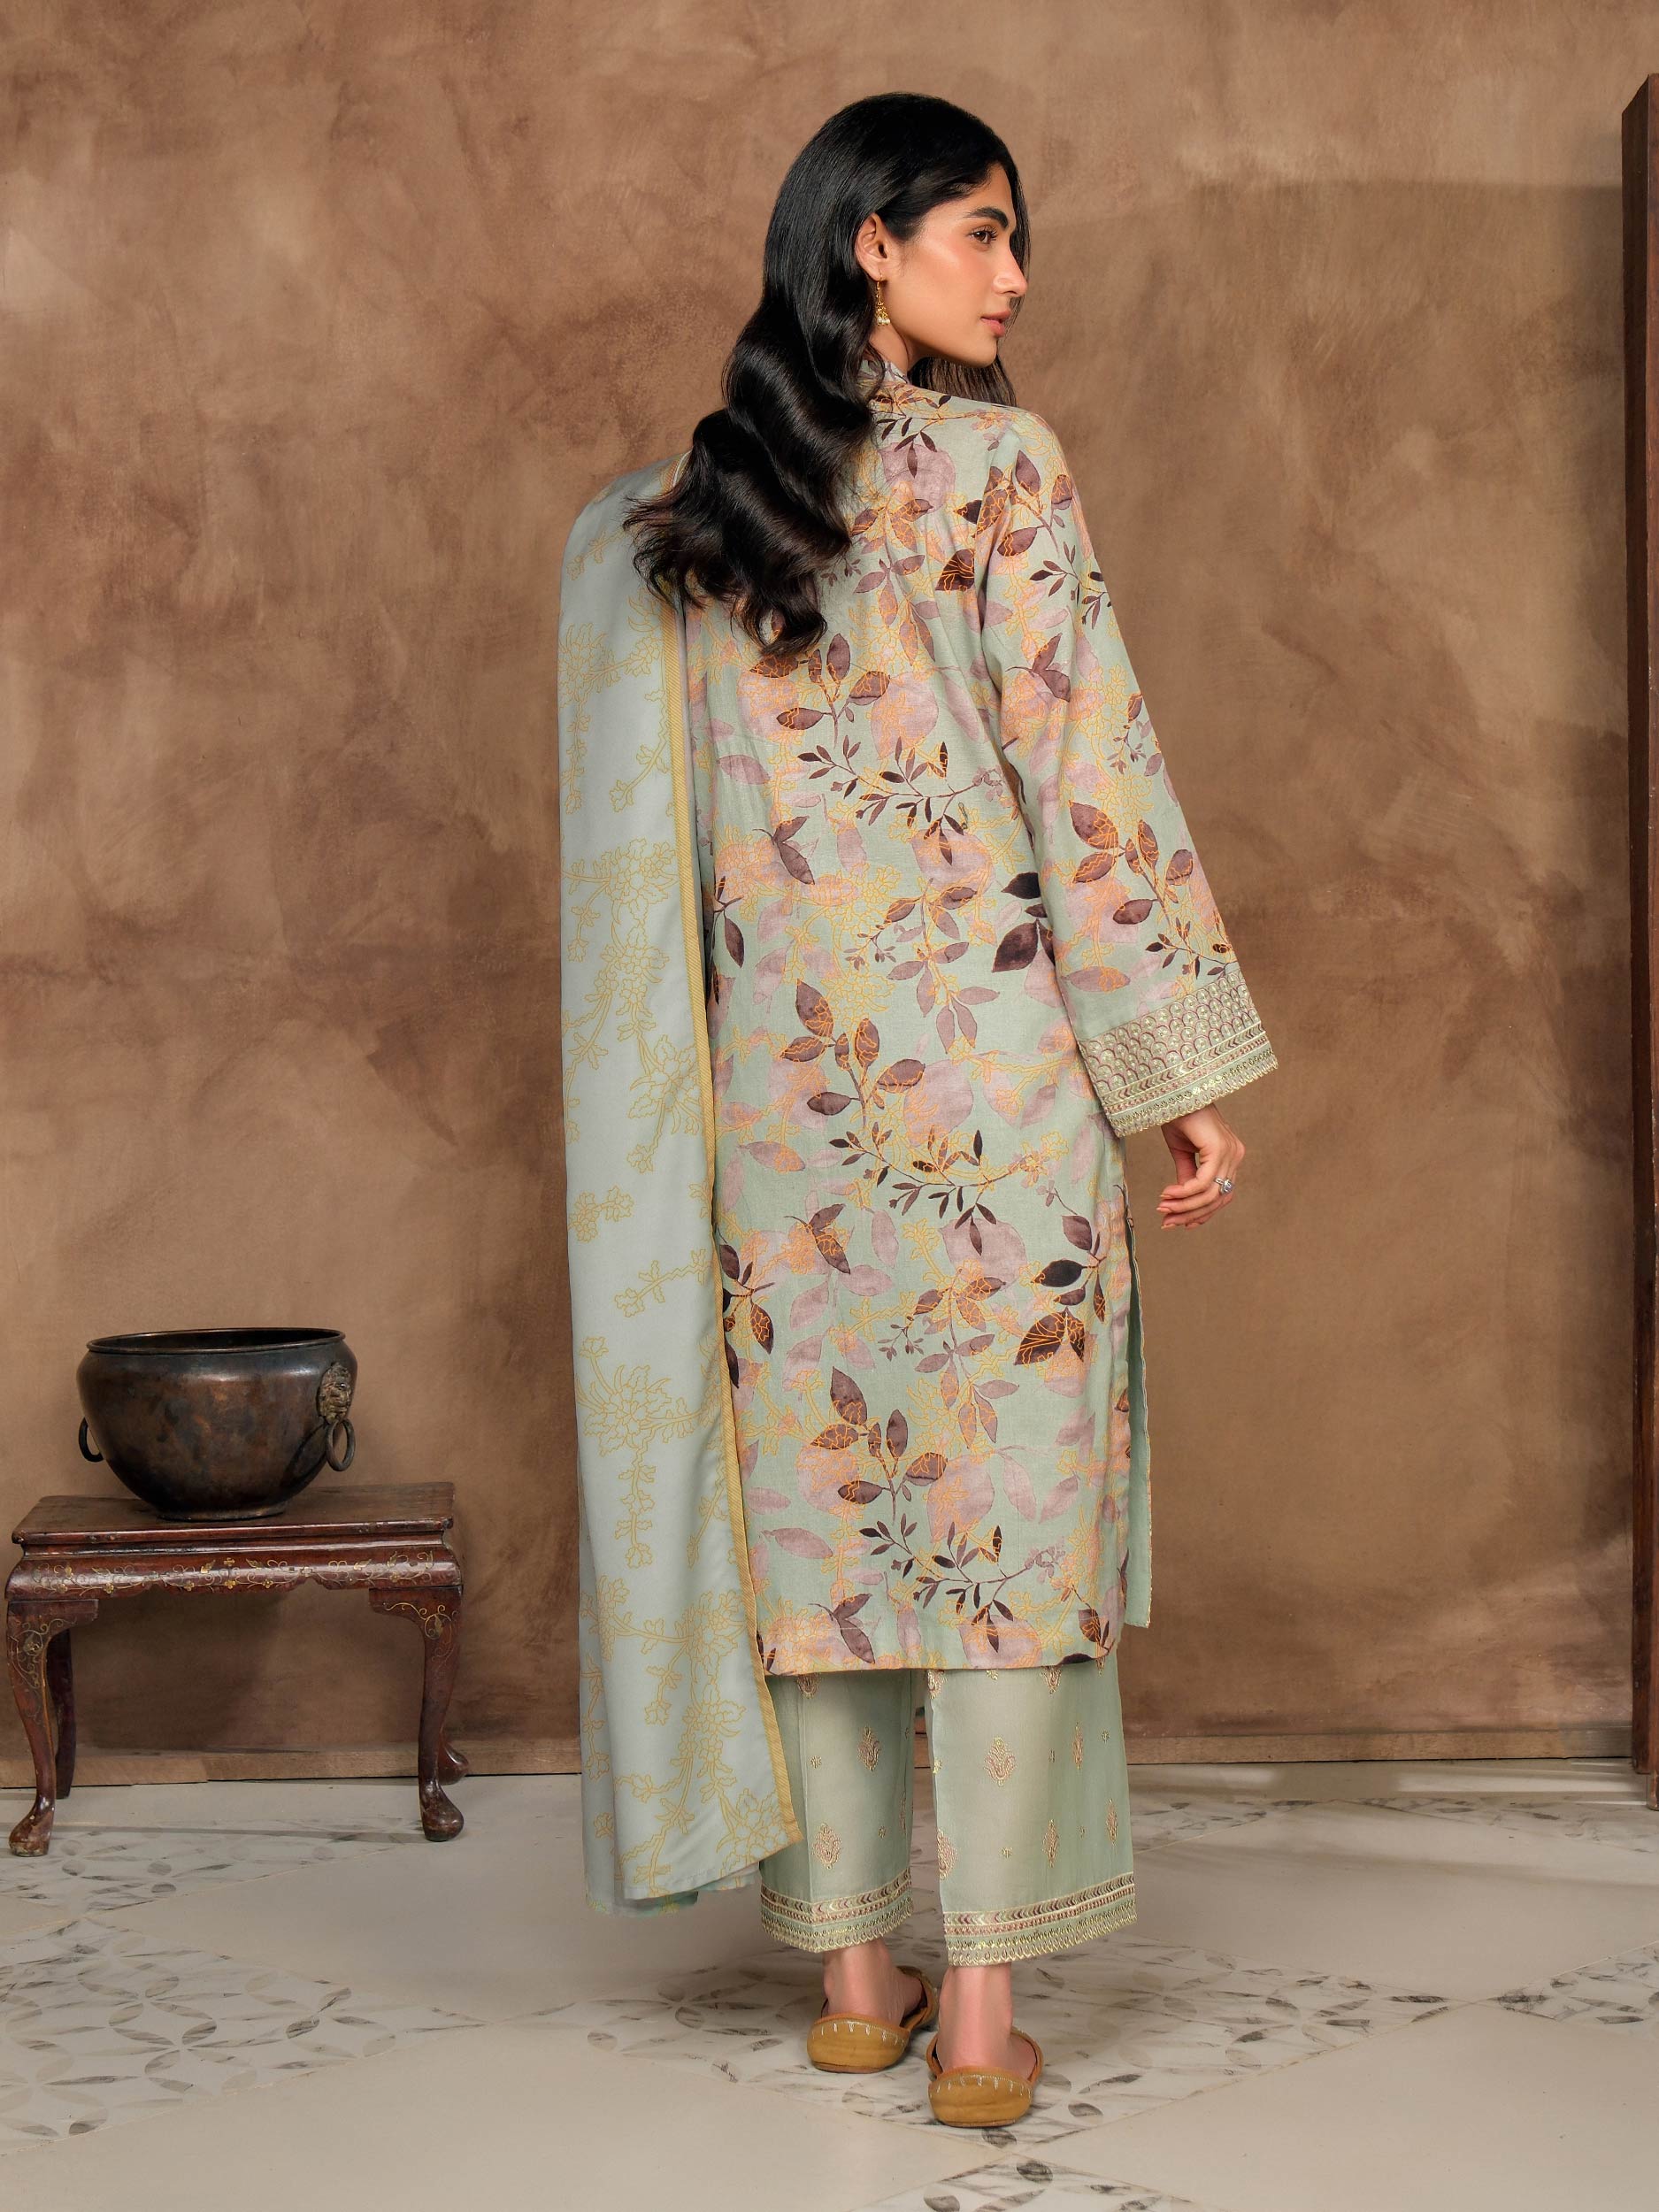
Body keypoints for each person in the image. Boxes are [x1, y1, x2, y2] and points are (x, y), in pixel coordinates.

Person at [557, 92, 1276, 2131]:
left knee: (825, 1531)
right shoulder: (998, 472)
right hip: (990, 1101)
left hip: (770, 1122)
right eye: (979, 230)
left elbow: (651, 872)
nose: (1012, 276)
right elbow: (1088, 777)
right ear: (865, 242)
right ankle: (976, 2024)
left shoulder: (686, 514)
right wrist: (1177, 1082)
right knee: (1003, 1537)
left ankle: (853, 1986)